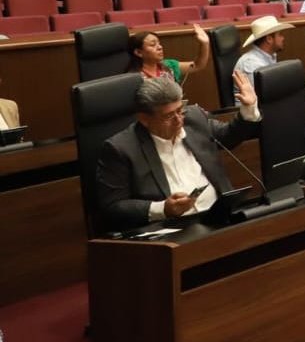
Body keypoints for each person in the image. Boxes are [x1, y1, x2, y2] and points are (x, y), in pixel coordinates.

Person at [95, 73, 260, 231]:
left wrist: (249, 108)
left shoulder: (193, 118)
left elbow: (228, 137)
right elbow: (113, 207)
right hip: (172, 228)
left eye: (180, 110)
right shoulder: (121, 149)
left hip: (220, 217)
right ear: (144, 119)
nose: (179, 120)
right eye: (168, 116)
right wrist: (163, 209)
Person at [128, 25, 211, 81]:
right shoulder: (133, 78)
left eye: (159, 43)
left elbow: (197, 65)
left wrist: (205, 44)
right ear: (139, 52)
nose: (160, 47)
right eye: (153, 45)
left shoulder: (169, 65)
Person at [235, 15, 294, 84]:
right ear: (269, 39)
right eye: (280, 35)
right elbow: (257, 91)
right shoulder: (252, 64)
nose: (283, 38)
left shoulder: (271, 55)